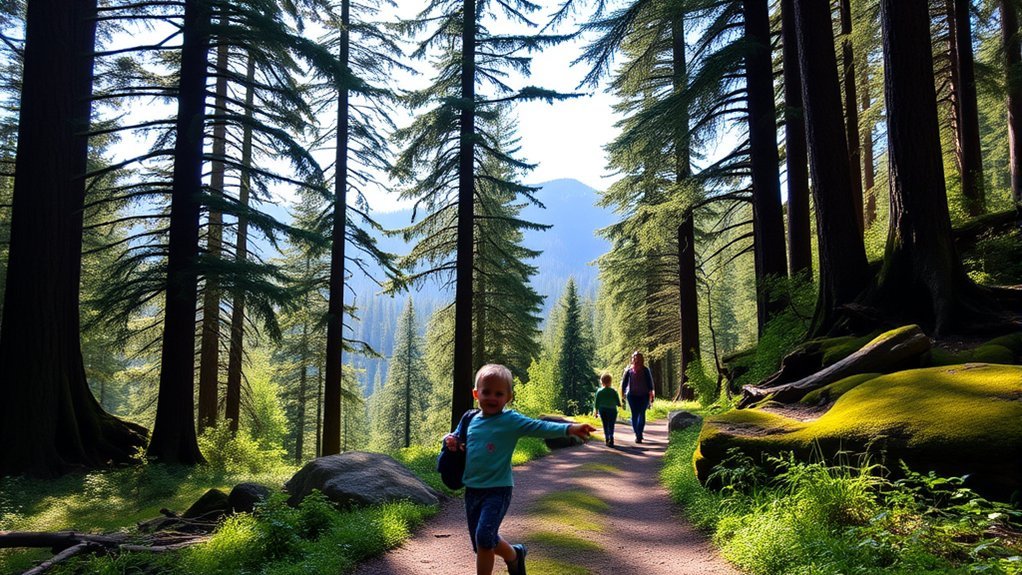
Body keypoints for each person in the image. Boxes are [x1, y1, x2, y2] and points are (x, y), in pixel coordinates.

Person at [444, 364, 596, 575]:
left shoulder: (511, 421)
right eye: (486, 392)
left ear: (509, 397)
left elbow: (540, 427)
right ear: (476, 393)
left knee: (483, 540)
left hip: (498, 490)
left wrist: (569, 428)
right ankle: (514, 555)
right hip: (472, 490)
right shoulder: (469, 419)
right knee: (483, 541)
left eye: (499, 393)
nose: (492, 398)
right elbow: (456, 436)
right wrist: (451, 441)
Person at [621, 351, 655, 443]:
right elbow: (624, 383)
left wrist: (651, 394)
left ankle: (639, 433)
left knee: (642, 413)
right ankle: (638, 434)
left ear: (641, 359)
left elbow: (650, 383)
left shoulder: (645, 370)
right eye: (634, 357)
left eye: (637, 357)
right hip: (632, 396)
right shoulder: (629, 370)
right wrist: (623, 394)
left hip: (644, 395)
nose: (635, 359)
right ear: (632, 359)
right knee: (635, 414)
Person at [593, 373, 622, 447]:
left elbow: (596, 403)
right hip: (612, 410)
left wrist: (596, 412)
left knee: (605, 424)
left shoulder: (599, 391)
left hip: (603, 410)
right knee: (611, 424)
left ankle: (607, 438)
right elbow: (618, 402)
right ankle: (611, 437)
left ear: (601, 382)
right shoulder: (613, 391)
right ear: (610, 381)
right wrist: (620, 405)